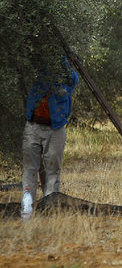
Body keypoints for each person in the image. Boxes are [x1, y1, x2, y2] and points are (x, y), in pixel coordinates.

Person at [22, 56, 79, 219]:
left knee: (53, 170)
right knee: (30, 170)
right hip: (32, 126)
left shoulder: (70, 78)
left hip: (56, 129)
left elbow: (69, 74)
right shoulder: (42, 73)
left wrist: (60, 57)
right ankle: (27, 211)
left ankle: (50, 211)